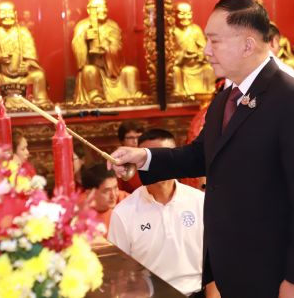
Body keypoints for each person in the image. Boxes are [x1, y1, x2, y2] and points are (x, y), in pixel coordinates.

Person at [111, 0, 294, 298]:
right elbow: (201, 154)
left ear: (247, 45)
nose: (205, 50)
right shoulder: (225, 99)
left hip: (273, 270)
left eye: (214, 41)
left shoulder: (293, 100)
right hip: (232, 267)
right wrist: (144, 157)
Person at [108, 129, 207, 296]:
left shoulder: (200, 201)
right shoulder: (123, 213)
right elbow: (120, 273)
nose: (159, 165)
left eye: (164, 157)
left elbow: (217, 262)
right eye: (152, 159)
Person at [71, 0, 143, 104]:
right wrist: (84, 39)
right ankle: (95, 96)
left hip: (112, 69)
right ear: (89, 10)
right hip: (94, 70)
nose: (103, 10)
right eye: (98, 7)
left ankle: (134, 94)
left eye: (104, 6)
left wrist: (107, 48)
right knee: (89, 70)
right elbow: (78, 51)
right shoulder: (82, 26)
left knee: (131, 71)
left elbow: (118, 48)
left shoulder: (112, 25)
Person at [0, 1, 51, 107]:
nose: (7, 16)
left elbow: (32, 58)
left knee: (38, 76)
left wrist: (27, 66)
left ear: (15, 14)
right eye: (3, 13)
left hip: (23, 77)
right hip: (2, 77)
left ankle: (40, 103)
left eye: (10, 12)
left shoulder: (24, 33)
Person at [172, 2, 216, 97]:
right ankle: (179, 94)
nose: (185, 17)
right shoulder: (172, 31)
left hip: (197, 64)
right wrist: (182, 55)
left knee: (209, 69)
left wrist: (198, 54)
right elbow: (168, 54)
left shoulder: (196, 30)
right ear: (174, 14)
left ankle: (208, 93)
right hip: (182, 66)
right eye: (181, 14)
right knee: (175, 71)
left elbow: (204, 49)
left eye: (188, 14)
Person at [80, 163, 128, 231]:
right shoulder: (79, 213)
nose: (113, 195)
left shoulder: (125, 199)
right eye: (106, 191)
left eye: (115, 187)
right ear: (90, 194)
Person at [116, 120, 144, 193]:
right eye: (131, 138)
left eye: (139, 137)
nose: (135, 141)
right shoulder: (117, 162)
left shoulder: (149, 156)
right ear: (122, 141)